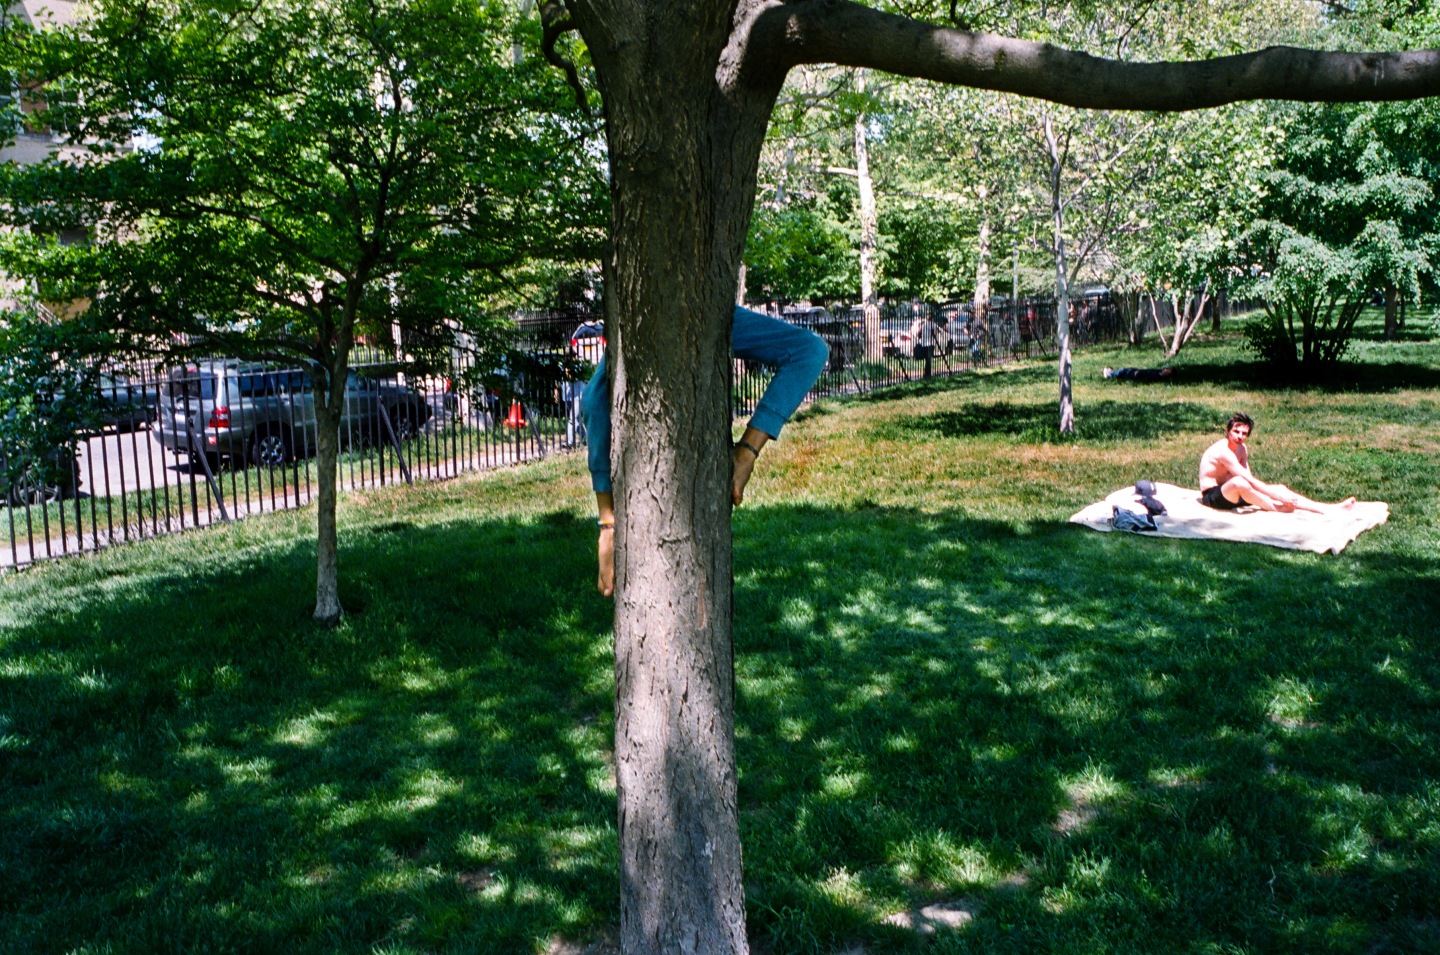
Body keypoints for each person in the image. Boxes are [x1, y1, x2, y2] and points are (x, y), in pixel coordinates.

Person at [582, 305, 829, 596]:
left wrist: (747, 452)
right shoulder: (636, 317)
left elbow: (807, 353)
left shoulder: (711, 315)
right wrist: (608, 525)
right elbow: (595, 401)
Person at [1198, 412, 1356, 513]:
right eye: (1236, 432)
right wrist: (1279, 499)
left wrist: (1279, 494)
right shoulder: (1223, 451)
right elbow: (1247, 480)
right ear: (1227, 431)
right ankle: (1277, 508)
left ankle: (1327, 508)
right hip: (1213, 496)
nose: (1239, 436)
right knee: (1239, 481)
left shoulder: (1242, 449)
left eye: (1244, 433)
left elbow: (1250, 479)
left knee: (1280, 488)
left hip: (1235, 494)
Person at [1103, 366, 1174, 382]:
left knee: (1122, 372)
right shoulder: (1158, 371)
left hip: (1135, 374)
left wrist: (1138, 374)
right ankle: (1111, 373)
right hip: (1136, 371)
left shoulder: (1158, 376)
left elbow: (1147, 376)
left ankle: (1110, 373)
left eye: (1167, 370)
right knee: (1123, 371)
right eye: (1166, 369)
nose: (1165, 370)